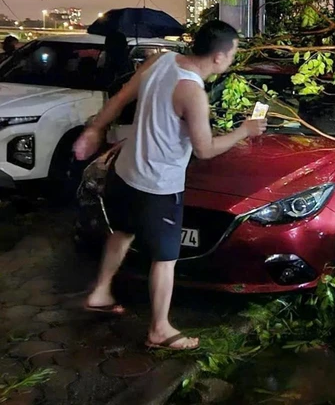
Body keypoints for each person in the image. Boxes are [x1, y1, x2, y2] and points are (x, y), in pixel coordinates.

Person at [73, 20, 267, 351]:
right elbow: (204, 149)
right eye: (233, 53)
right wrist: (243, 131)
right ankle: (159, 329)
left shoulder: (159, 61)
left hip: (124, 173)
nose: (232, 59)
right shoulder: (193, 93)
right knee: (165, 259)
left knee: (123, 232)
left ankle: (101, 292)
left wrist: (95, 129)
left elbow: (121, 98)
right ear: (219, 57)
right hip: (157, 187)